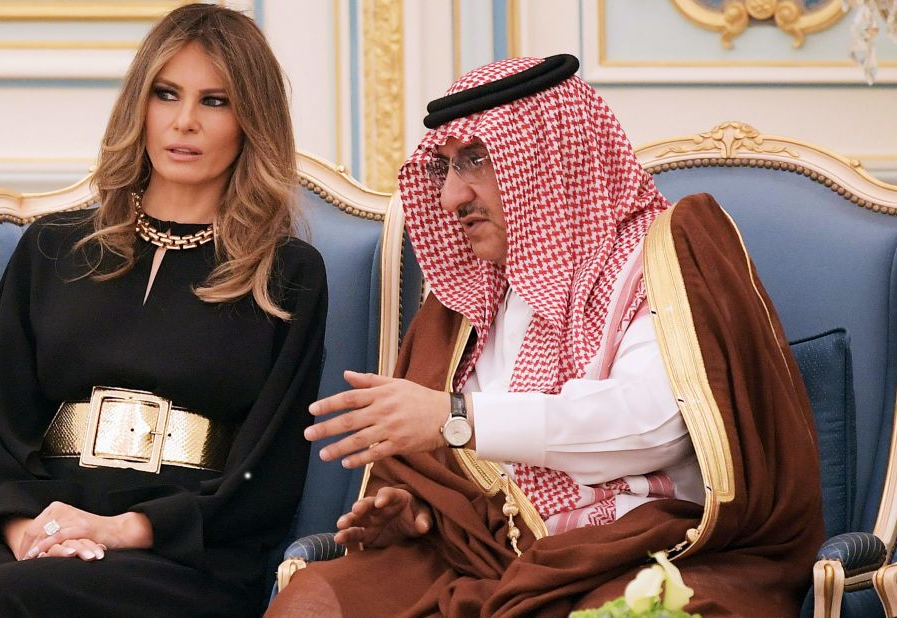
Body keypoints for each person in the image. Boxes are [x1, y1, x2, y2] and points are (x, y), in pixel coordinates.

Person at [268, 55, 823, 616]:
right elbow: (464, 476)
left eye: (475, 162)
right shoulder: (464, 301)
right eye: (445, 169)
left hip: (645, 551)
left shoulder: (662, 254)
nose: (450, 200)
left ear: (546, 157)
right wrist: (419, 510)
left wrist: (454, 418)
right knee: (315, 601)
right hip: (487, 557)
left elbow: (655, 424)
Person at [0, 5, 327, 617]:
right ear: (138, 106)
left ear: (252, 119)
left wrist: (123, 529)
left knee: (0, 598)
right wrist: (29, 531)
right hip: (49, 525)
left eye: (215, 101)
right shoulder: (52, 249)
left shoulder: (286, 273)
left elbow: (268, 474)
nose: (185, 122)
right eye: (166, 95)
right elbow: (3, 435)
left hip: (189, 553)